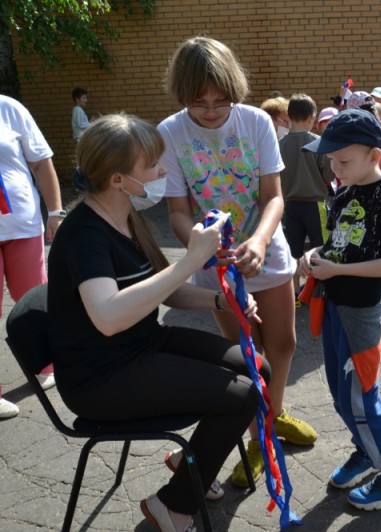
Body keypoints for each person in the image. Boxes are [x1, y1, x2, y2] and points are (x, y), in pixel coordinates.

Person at [47, 113, 267, 531]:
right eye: (152, 165)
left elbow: (161, 289)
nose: (162, 171)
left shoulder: (127, 214)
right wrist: (190, 260)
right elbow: (109, 317)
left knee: (258, 366)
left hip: (141, 345)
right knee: (238, 396)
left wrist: (224, 300)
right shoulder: (84, 235)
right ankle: (174, 504)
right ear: (117, 179)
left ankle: (190, 466)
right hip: (101, 378)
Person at [158, 37, 317, 490]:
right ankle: (258, 436)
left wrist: (261, 241)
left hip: (266, 248)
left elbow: (273, 197)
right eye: (198, 102)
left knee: (282, 344)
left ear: (236, 90)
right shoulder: (171, 132)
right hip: (216, 259)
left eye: (220, 100)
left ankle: (272, 415)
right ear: (181, 95)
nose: (210, 111)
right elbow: (176, 212)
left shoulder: (255, 123)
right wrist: (203, 246)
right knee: (248, 354)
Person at [298, 109, 381, 510]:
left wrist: (338, 269)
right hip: (332, 306)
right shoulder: (343, 192)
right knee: (340, 395)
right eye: (330, 160)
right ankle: (366, 451)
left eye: (343, 160)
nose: (335, 167)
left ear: (375, 155)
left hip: (360, 312)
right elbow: (339, 243)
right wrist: (314, 254)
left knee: (362, 398)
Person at [0, 95, 63, 418]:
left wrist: (55, 211)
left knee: (35, 298)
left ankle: (48, 364)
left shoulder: (8, 108)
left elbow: (41, 162)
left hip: (22, 224)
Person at [279, 93, 334, 291]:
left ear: (289, 117)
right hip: (315, 204)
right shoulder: (318, 143)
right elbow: (328, 176)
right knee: (321, 247)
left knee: (292, 250)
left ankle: (293, 291)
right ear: (312, 118)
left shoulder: (279, 145)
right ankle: (319, 289)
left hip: (289, 205)